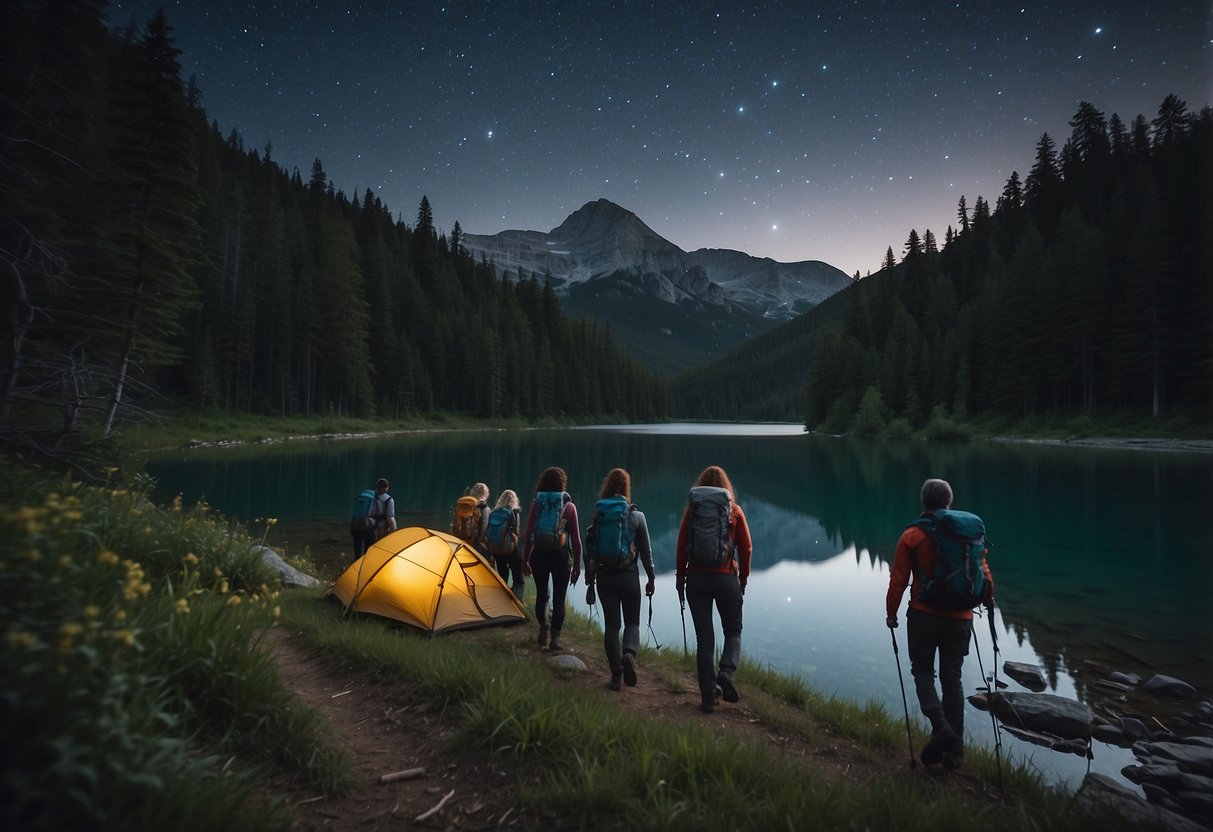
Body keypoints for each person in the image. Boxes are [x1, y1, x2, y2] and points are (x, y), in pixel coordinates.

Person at [885, 477, 995, 770]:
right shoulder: (967, 535)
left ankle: (940, 727)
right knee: (953, 680)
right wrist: (988, 599)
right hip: (961, 618)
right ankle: (955, 754)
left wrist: (891, 613)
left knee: (922, 671)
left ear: (923, 501)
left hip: (923, 614)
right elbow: (983, 570)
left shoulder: (912, 535)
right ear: (948, 502)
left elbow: (898, 580)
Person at [675, 465, 752, 714]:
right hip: (726, 579)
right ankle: (726, 672)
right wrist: (743, 578)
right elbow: (747, 548)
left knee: (704, 640)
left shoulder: (693, 512)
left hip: (696, 580)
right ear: (726, 488)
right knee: (733, 631)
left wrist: (680, 579)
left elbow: (681, 547)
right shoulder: (733, 511)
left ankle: (708, 697)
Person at [584, 468, 655, 691]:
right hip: (629, 577)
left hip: (605, 577)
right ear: (626, 489)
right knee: (632, 622)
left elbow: (591, 547)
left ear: (607, 487)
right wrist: (651, 578)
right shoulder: (637, 516)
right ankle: (629, 656)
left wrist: (590, 572)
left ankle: (616, 674)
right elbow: (646, 552)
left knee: (612, 627)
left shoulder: (600, 515)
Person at [522, 466, 582, 652]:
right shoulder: (569, 507)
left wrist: (525, 560)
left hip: (539, 554)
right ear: (562, 484)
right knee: (559, 599)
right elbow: (577, 541)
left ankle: (543, 627)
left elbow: (528, 533)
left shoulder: (536, 504)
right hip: (561, 556)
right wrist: (577, 567)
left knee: (541, 595)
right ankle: (555, 640)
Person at [487, 489, 526, 598]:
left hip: (496, 550)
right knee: (518, 580)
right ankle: (518, 607)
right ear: (514, 500)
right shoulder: (513, 512)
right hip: (510, 550)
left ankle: (501, 604)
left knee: (502, 580)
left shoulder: (494, 512)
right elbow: (516, 532)